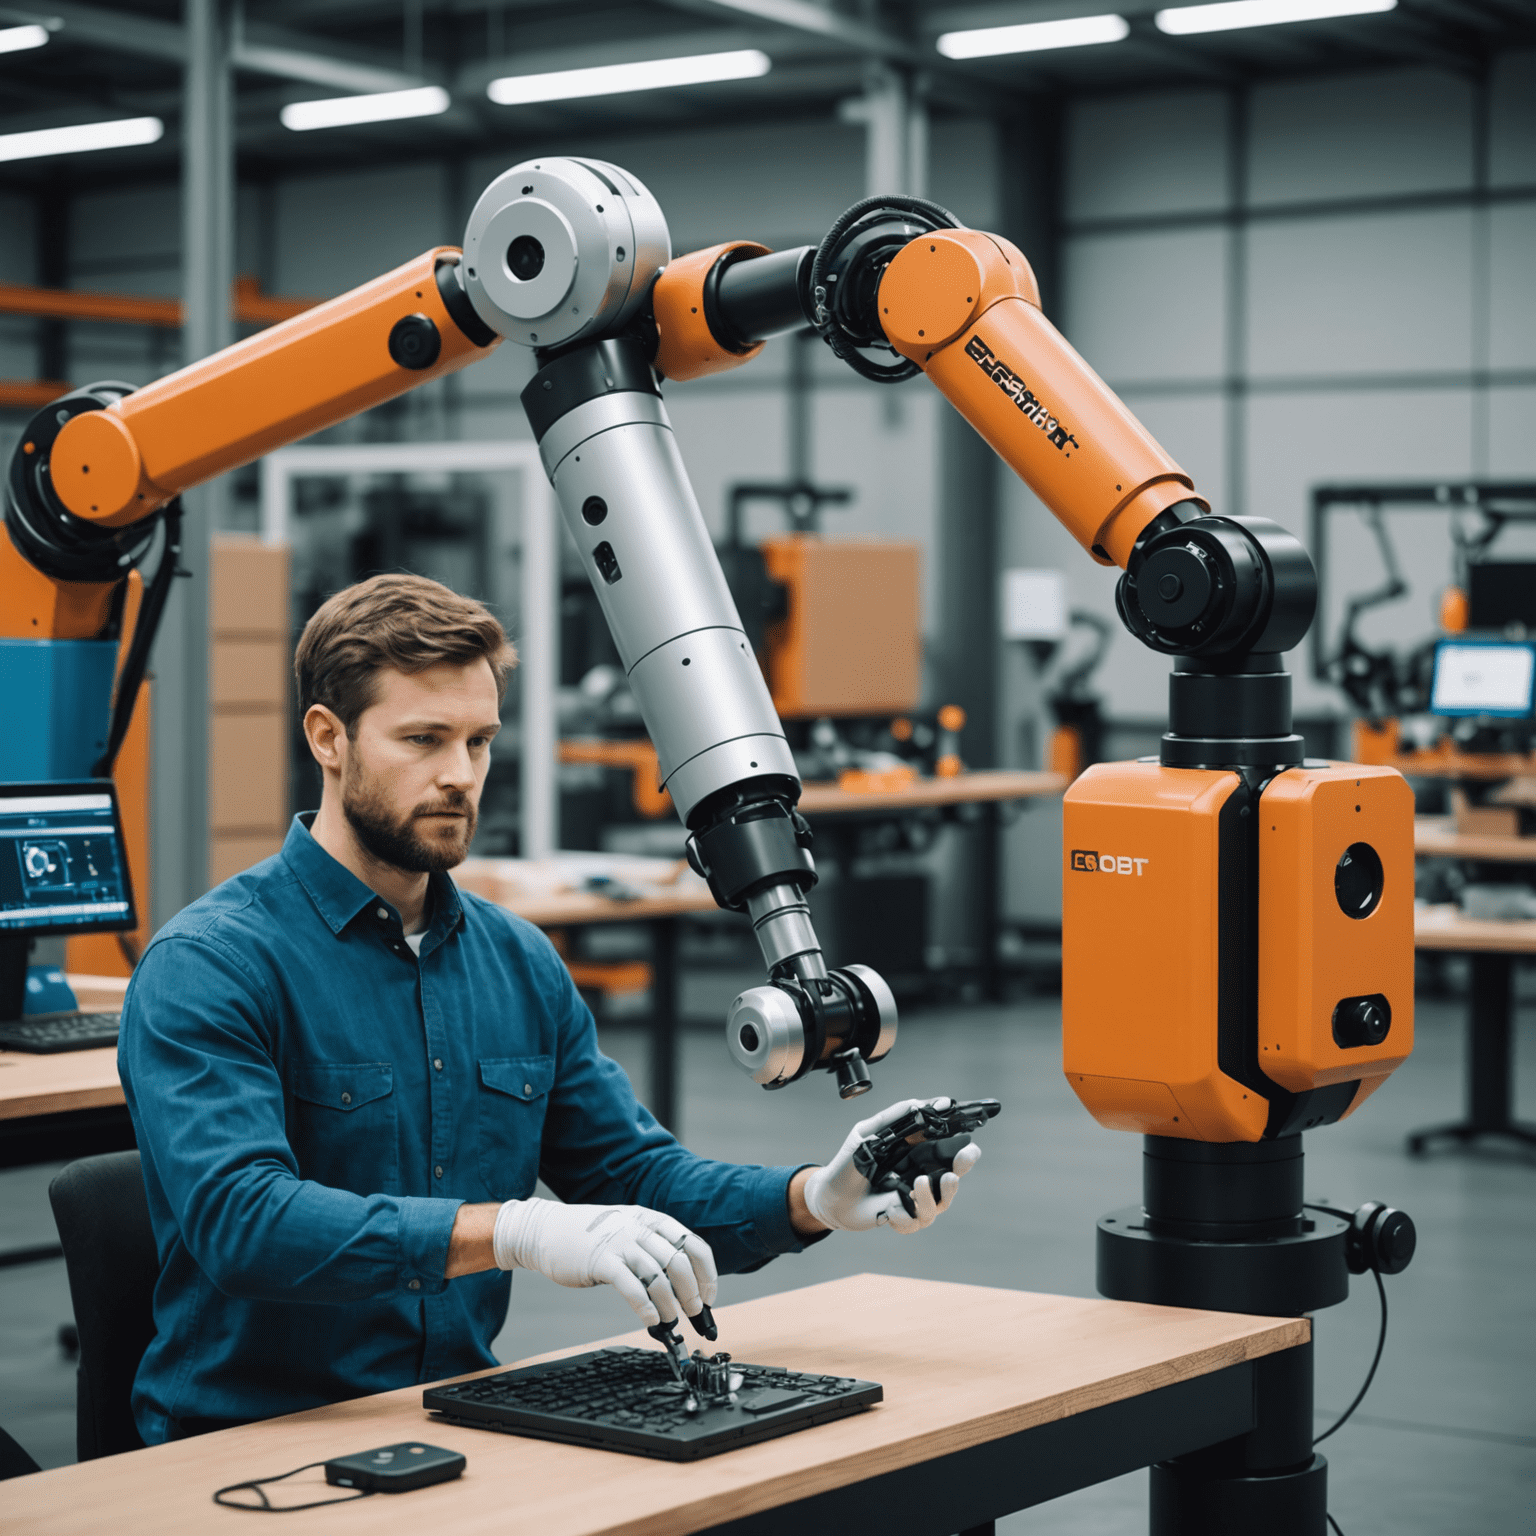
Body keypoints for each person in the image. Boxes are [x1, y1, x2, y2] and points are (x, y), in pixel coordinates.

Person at [118, 573, 980, 1444]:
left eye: (479, 742)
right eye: (422, 739)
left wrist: (809, 1200)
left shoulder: (517, 963)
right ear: (328, 738)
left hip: (455, 1424)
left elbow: (633, 1177)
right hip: (247, 1445)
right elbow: (244, 1222)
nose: (460, 776)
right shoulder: (211, 965)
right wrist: (514, 1230)